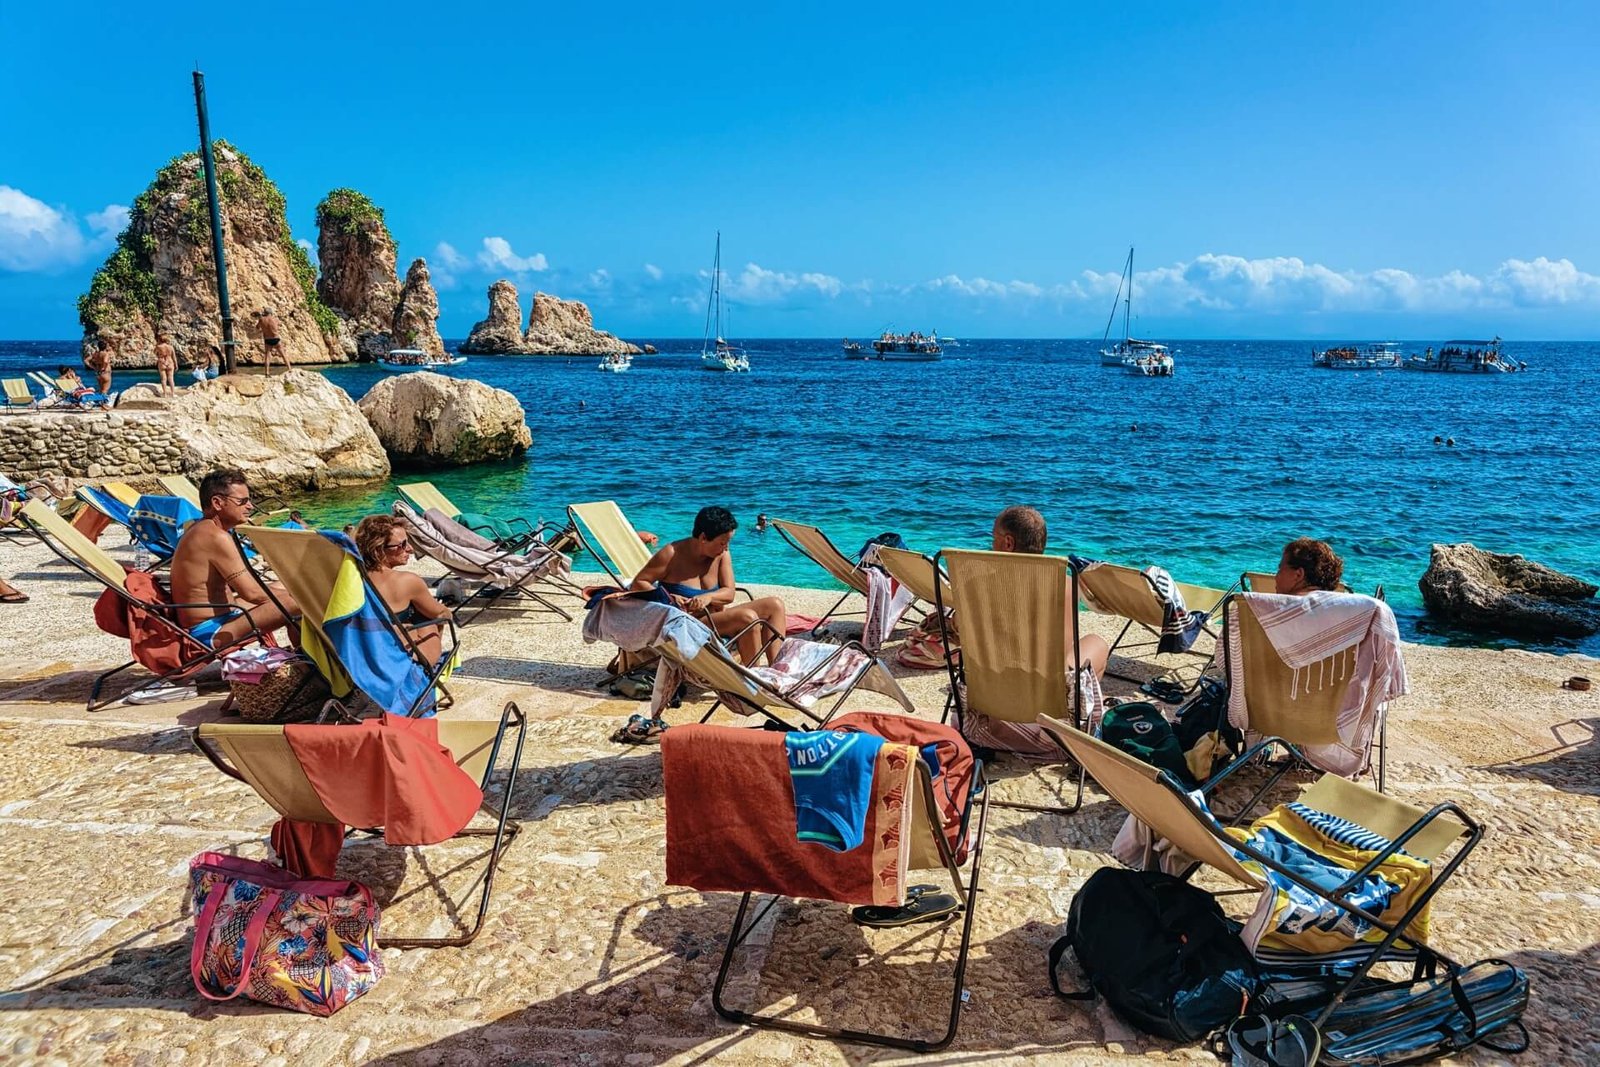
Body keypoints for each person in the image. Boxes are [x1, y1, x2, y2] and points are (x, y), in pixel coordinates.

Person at [955, 506, 1111, 760]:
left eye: (993, 537)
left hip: (989, 701)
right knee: (1096, 643)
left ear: (1008, 543)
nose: (991, 544)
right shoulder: (1064, 586)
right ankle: (1066, 722)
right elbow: (1066, 658)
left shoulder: (976, 586)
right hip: (1047, 706)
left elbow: (961, 633)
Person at [630, 506, 787, 665]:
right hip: (686, 625)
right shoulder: (671, 554)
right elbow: (638, 583)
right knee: (747, 617)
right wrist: (668, 598)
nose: (726, 548)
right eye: (722, 543)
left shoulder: (722, 555)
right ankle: (751, 676)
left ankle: (777, 668)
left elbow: (729, 593)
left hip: (714, 621)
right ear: (703, 537)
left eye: (728, 542)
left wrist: (709, 597)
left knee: (775, 605)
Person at [169, 468, 299, 649]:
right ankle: (307, 654)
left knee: (287, 586)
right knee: (299, 602)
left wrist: (293, 591)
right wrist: (300, 597)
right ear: (217, 503)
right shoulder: (215, 537)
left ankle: (304, 652)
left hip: (222, 616)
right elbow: (252, 594)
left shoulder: (202, 529)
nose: (250, 506)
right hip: (210, 631)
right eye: (242, 501)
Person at [353, 515, 452, 666]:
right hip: (397, 663)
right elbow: (443, 615)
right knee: (428, 616)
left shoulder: (349, 579)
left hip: (359, 656)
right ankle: (428, 669)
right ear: (378, 550)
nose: (410, 549)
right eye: (402, 545)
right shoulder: (407, 581)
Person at [1274, 537, 1344, 595]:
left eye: (1280, 569)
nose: (1276, 577)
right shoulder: (1340, 605)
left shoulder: (1276, 605)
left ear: (1298, 575)